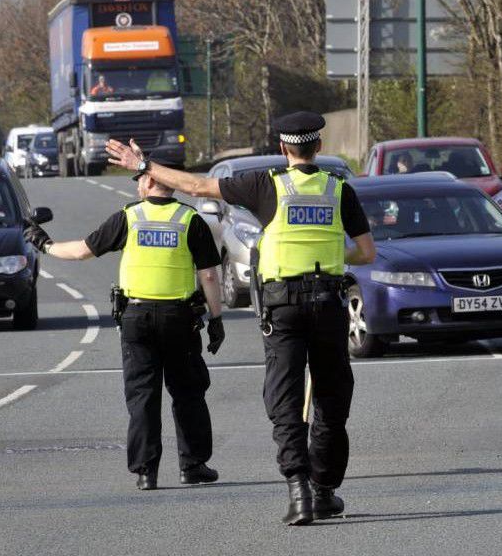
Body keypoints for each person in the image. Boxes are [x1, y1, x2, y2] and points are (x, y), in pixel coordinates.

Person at [105, 111, 377, 526]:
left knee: (285, 398)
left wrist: (144, 166)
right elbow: (367, 252)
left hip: (283, 307)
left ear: (284, 149)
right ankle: (325, 491)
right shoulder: (340, 190)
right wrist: (333, 255)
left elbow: (195, 185)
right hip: (328, 303)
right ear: (318, 147)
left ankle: (298, 491)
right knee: (331, 398)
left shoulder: (265, 184)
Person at [23, 161, 225, 491]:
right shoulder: (190, 220)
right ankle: (193, 466)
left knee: (142, 395)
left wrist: (43, 243)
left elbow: (82, 252)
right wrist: (215, 318)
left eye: (140, 180)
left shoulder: (129, 217)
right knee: (188, 393)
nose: (137, 186)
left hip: (138, 318)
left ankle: (147, 471)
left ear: (151, 181)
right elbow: (209, 275)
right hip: (180, 320)